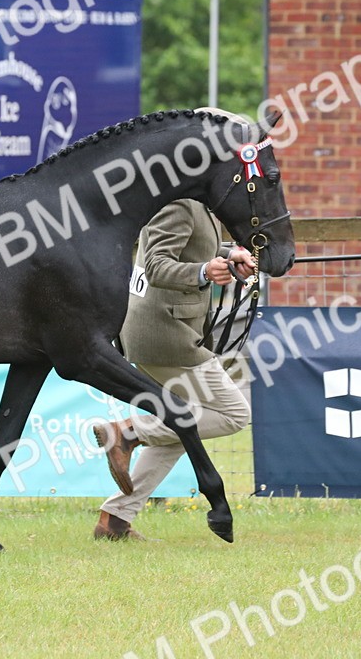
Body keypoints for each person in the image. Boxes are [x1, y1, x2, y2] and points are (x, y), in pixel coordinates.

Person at [93, 198, 255, 541]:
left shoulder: (196, 202)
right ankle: (128, 432)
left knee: (184, 429)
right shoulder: (179, 203)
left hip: (165, 330)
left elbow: (193, 244)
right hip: (166, 333)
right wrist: (203, 272)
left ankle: (115, 520)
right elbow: (156, 265)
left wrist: (228, 255)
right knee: (234, 414)